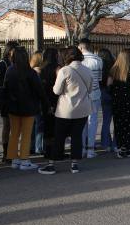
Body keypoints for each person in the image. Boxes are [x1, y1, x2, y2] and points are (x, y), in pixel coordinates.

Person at [39, 46, 92, 175]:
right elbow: (90, 90)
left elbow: (56, 90)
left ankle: (52, 164)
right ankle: (74, 164)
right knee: (76, 136)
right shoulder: (87, 70)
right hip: (83, 108)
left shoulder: (65, 70)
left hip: (65, 110)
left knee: (59, 137)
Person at [3, 47, 46, 171]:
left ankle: (14, 159)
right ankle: (24, 160)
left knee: (14, 133)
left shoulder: (9, 70)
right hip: (29, 107)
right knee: (26, 134)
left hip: (13, 107)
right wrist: (45, 103)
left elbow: (5, 88)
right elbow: (39, 90)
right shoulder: (30, 72)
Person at [0, 40, 18, 162]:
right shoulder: (2, 64)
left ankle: (13, 152)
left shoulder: (18, 63)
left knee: (16, 127)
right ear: (10, 51)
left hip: (16, 99)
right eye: (15, 49)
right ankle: (6, 153)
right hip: (6, 100)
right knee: (7, 126)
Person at [78, 38, 104, 158]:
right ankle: (91, 150)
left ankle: (82, 148)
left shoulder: (78, 61)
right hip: (94, 93)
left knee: (82, 122)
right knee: (92, 121)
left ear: (81, 47)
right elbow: (99, 78)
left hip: (81, 95)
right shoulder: (98, 60)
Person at [39, 48, 60, 162]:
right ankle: (55, 151)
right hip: (55, 99)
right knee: (55, 126)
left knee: (47, 126)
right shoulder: (58, 68)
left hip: (44, 100)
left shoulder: (41, 69)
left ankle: (47, 150)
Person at [97, 48, 116, 153]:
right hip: (112, 93)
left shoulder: (99, 67)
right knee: (116, 120)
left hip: (102, 93)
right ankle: (115, 144)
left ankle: (105, 144)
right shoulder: (113, 67)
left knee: (106, 120)